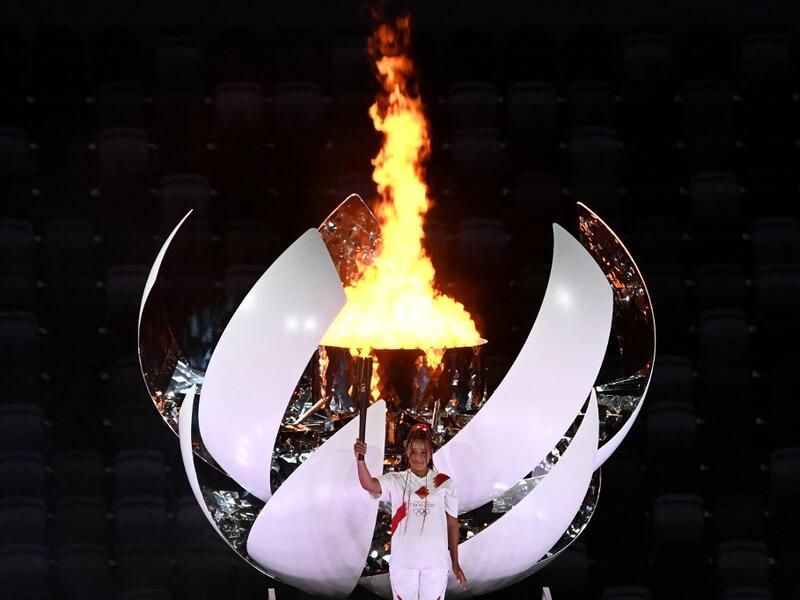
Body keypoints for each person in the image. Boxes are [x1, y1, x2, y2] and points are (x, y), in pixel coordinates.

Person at [354, 423, 467, 600]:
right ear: (407, 451)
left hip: (435, 564)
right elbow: (368, 484)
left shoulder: (445, 483)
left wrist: (455, 562)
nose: (418, 457)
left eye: (423, 452)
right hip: (404, 563)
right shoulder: (396, 480)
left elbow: (452, 524)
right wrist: (360, 460)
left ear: (430, 453)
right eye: (414, 451)